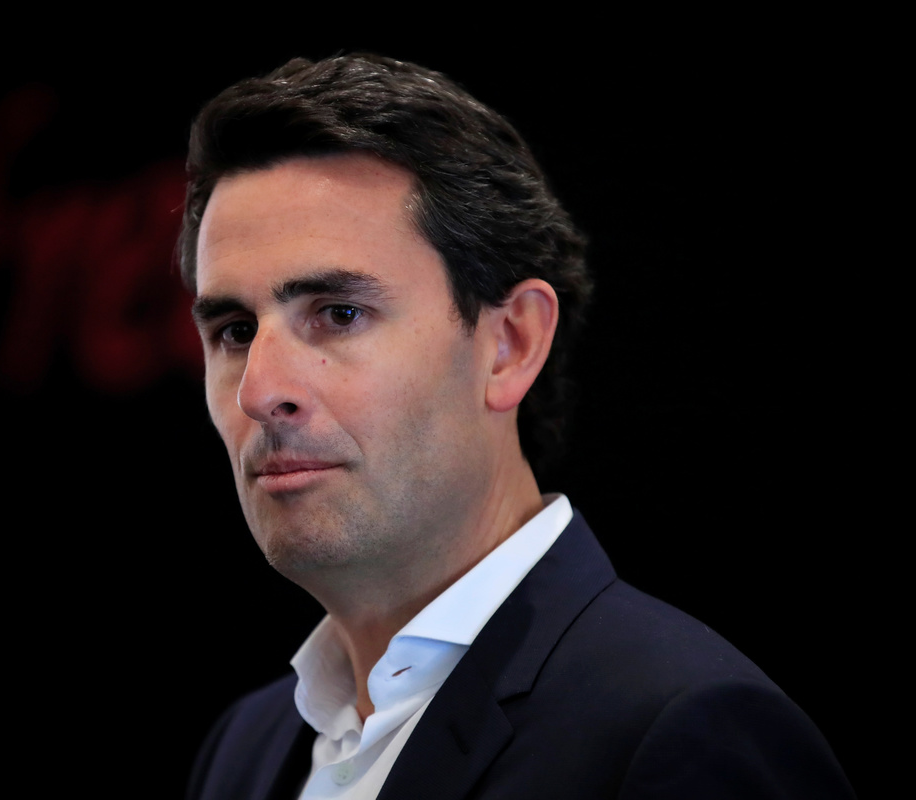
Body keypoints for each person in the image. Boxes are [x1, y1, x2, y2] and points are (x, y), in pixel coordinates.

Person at [178, 53, 853, 800]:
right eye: (235, 331)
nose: (261, 391)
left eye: (340, 314)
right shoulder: (241, 752)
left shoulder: (684, 734)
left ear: (510, 345)